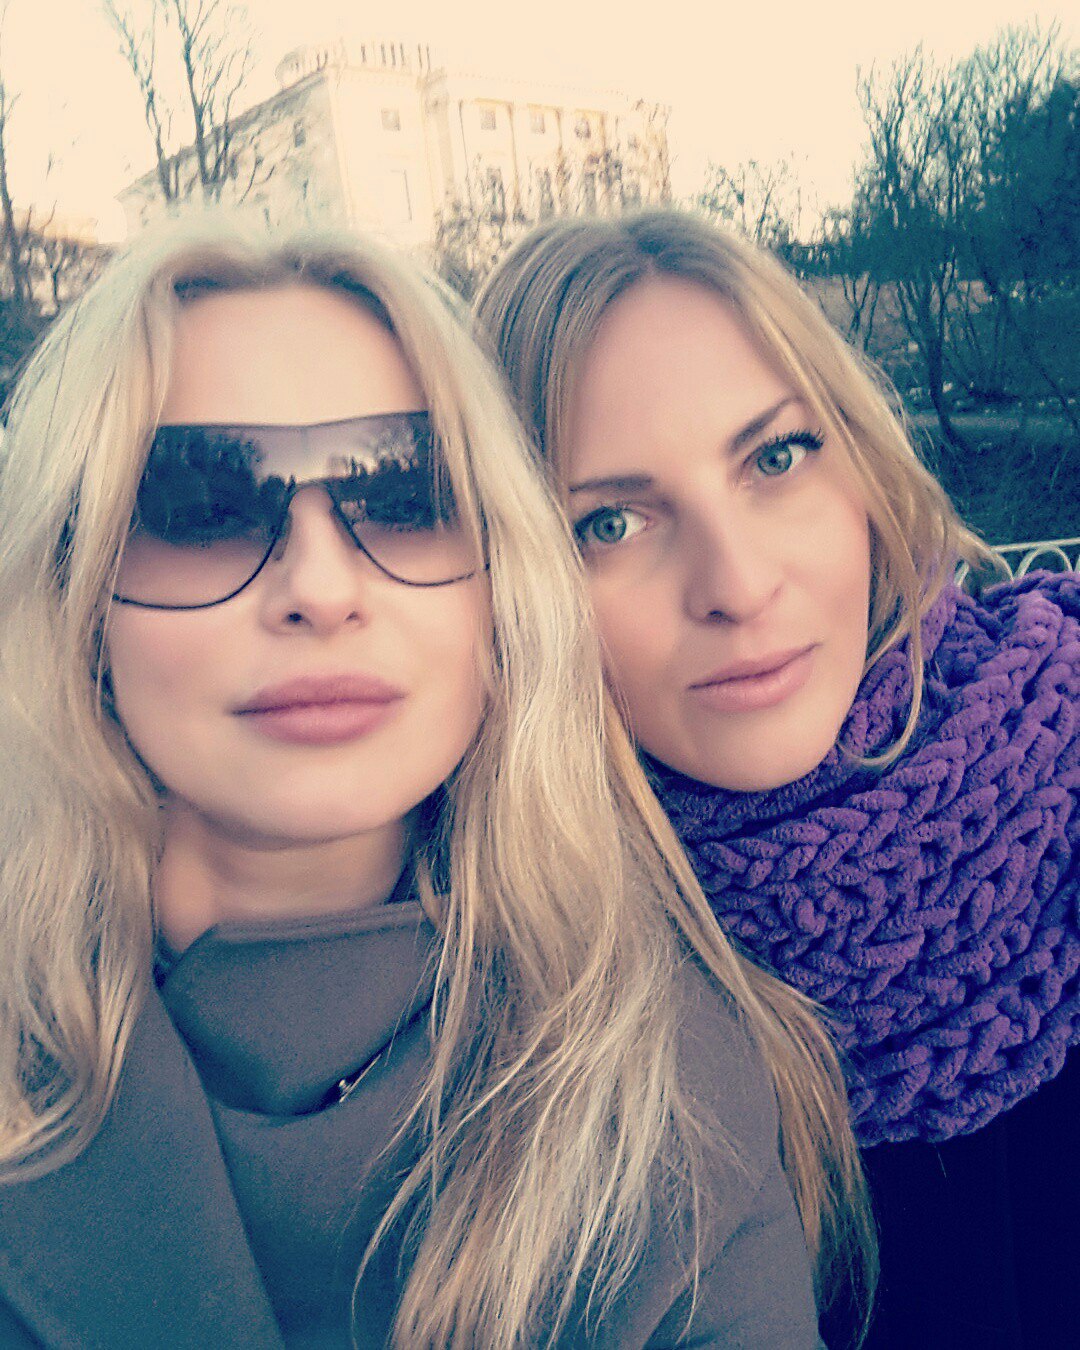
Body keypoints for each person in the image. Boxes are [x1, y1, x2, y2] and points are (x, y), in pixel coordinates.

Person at [0, 214, 874, 1349]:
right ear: (75, 595)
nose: (322, 589)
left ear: (504, 588)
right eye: (203, 507)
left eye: (404, 494)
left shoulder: (674, 1098)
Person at [476, 209, 1079, 1348]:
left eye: (775, 457)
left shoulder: (1062, 755)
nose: (739, 585)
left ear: (860, 459)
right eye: (609, 522)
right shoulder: (499, 989)